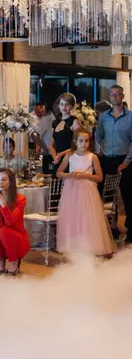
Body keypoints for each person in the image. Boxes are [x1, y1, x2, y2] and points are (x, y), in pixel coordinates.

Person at [57, 128, 116, 256]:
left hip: (88, 191)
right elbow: (59, 173)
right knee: (73, 217)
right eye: (81, 141)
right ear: (75, 141)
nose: (84, 144)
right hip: (71, 190)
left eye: (86, 141)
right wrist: (69, 175)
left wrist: (85, 175)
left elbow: (99, 177)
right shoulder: (69, 156)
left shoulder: (92, 157)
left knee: (88, 217)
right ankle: (73, 245)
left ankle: (90, 245)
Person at [96, 85, 132, 245]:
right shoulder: (103, 117)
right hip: (107, 161)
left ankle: (130, 230)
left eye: (118, 95)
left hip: (125, 160)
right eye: (112, 95)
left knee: (128, 196)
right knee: (106, 196)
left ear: (122, 97)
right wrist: (100, 151)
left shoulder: (130, 117)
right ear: (110, 97)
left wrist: (126, 162)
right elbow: (98, 135)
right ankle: (111, 229)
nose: (115, 97)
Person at [50, 93, 82, 175]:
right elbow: (51, 145)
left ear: (72, 106)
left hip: (71, 160)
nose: (64, 107)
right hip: (58, 161)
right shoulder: (55, 122)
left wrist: (61, 154)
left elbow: (78, 145)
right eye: (61, 104)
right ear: (59, 105)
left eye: (67, 105)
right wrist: (55, 158)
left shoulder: (75, 122)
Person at [31, 102, 55, 174]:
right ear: (35, 111)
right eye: (39, 112)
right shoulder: (32, 119)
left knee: (50, 170)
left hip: (51, 149)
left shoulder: (48, 120)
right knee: (45, 170)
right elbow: (35, 135)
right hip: (43, 149)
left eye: (42, 112)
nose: (41, 113)